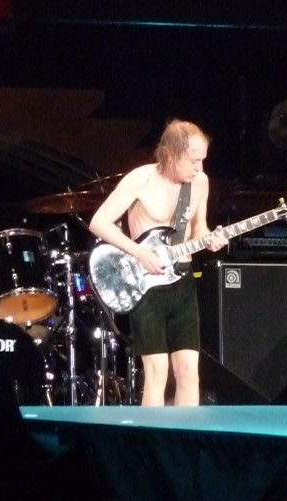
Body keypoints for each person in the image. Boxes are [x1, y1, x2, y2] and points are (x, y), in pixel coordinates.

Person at [88, 119, 227, 406]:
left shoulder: (199, 182)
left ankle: (186, 432)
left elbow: (198, 228)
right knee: (157, 373)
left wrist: (210, 239)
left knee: (189, 373)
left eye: (202, 160)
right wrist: (139, 253)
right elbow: (99, 222)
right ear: (172, 154)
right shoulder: (140, 179)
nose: (199, 167)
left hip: (183, 282)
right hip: (146, 285)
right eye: (194, 160)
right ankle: (152, 432)